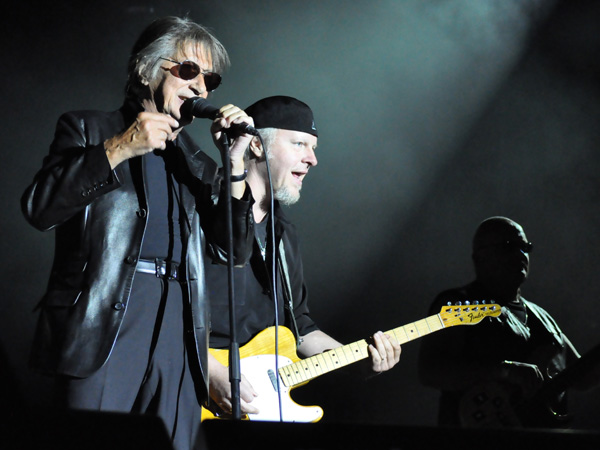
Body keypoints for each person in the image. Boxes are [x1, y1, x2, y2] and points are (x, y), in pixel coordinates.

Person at [21, 16, 255, 450]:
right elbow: (39, 208)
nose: (200, 87)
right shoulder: (88, 129)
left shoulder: (200, 163)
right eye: (188, 70)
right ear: (148, 70)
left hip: (179, 328)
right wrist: (121, 147)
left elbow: (234, 250)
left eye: (210, 79)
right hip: (105, 320)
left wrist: (236, 164)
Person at [203, 95, 401, 417]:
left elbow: (301, 330)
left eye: (314, 148)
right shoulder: (201, 213)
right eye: (299, 144)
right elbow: (167, 308)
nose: (312, 159)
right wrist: (211, 373)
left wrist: (360, 360)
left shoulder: (284, 234)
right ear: (255, 145)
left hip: (258, 406)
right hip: (197, 393)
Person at [418, 216, 583, 428]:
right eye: (508, 246)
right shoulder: (457, 304)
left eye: (525, 247)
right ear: (479, 258)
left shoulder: (543, 317)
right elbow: (430, 371)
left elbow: (583, 377)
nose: (520, 254)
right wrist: (505, 371)